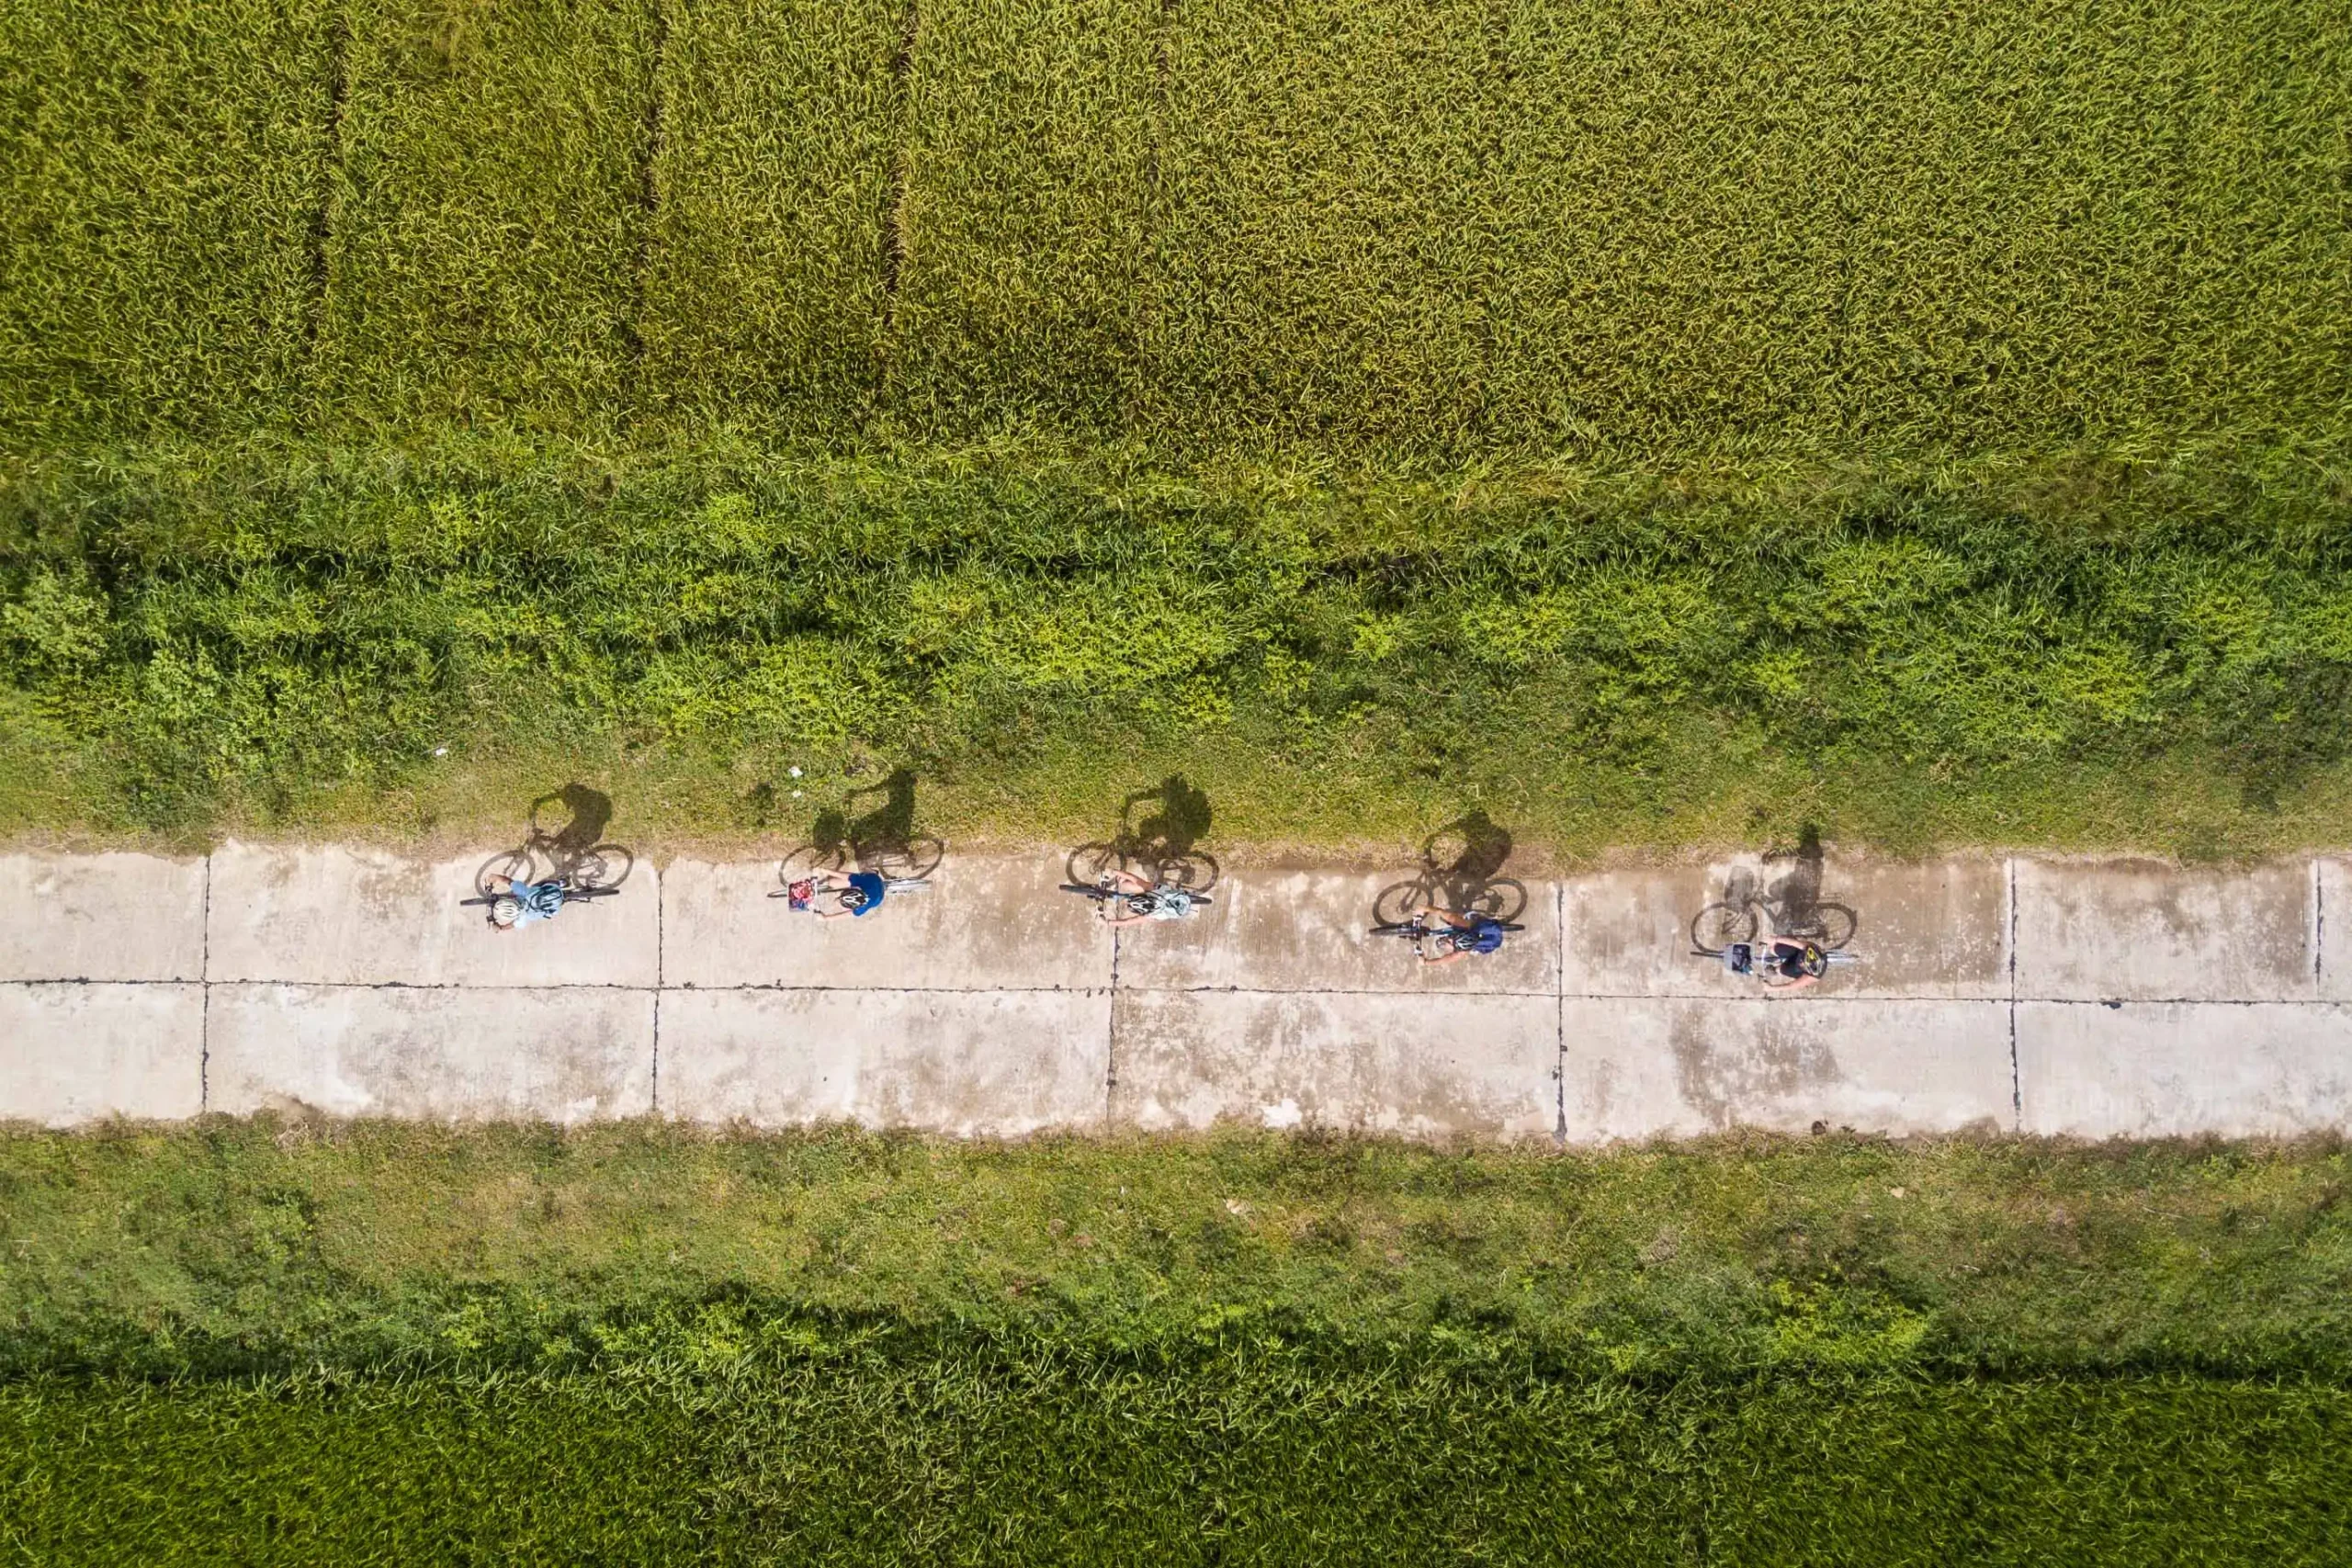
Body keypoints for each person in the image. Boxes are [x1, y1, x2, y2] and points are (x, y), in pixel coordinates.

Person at [1100, 867, 1195, 926]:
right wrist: (1113, 871)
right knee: (1126, 884)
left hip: (1158, 906)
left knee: (1128, 886)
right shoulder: (1153, 890)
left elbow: (1129, 921)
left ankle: (1121, 885)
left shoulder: (1151, 915)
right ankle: (1120, 882)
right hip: (1160, 893)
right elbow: (1132, 877)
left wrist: (1108, 923)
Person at [1416, 905, 1507, 964]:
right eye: (1450, 938)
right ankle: (1471, 916)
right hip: (1483, 928)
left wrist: (1426, 962)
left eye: (1448, 940)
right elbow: (1440, 912)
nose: (1447, 939)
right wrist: (1425, 909)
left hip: (1489, 941)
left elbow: (1445, 960)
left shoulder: (1462, 952)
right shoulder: (1463, 924)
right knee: (1457, 917)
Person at [485, 872, 565, 932]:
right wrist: (494, 877)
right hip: (555, 890)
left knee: (545, 912)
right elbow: (507, 881)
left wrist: (500, 928)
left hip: (556, 907)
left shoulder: (522, 918)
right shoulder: (522, 892)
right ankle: (561, 883)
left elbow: (512, 925)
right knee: (539, 884)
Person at [799, 868, 888, 920]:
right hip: (873, 879)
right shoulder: (862, 880)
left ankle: (841, 897)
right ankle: (873, 870)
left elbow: (845, 915)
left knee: (837, 901)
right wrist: (823, 869)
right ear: (856, 888)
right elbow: (842, 875)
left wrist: (826, 918)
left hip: (878, 896)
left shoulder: (863, 907)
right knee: (832, 883)